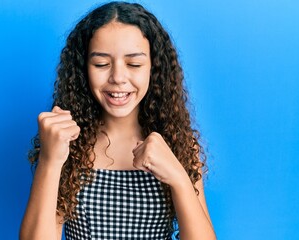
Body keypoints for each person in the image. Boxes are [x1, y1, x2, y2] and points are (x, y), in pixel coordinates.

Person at [20, 1, 216, 239]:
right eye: (101, 64)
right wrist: (50, 160)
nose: (118, 78)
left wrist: (179, 178)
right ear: (84, 69)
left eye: (134, 64)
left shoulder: (180, 146)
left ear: (154, 69)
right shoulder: (67, 144)